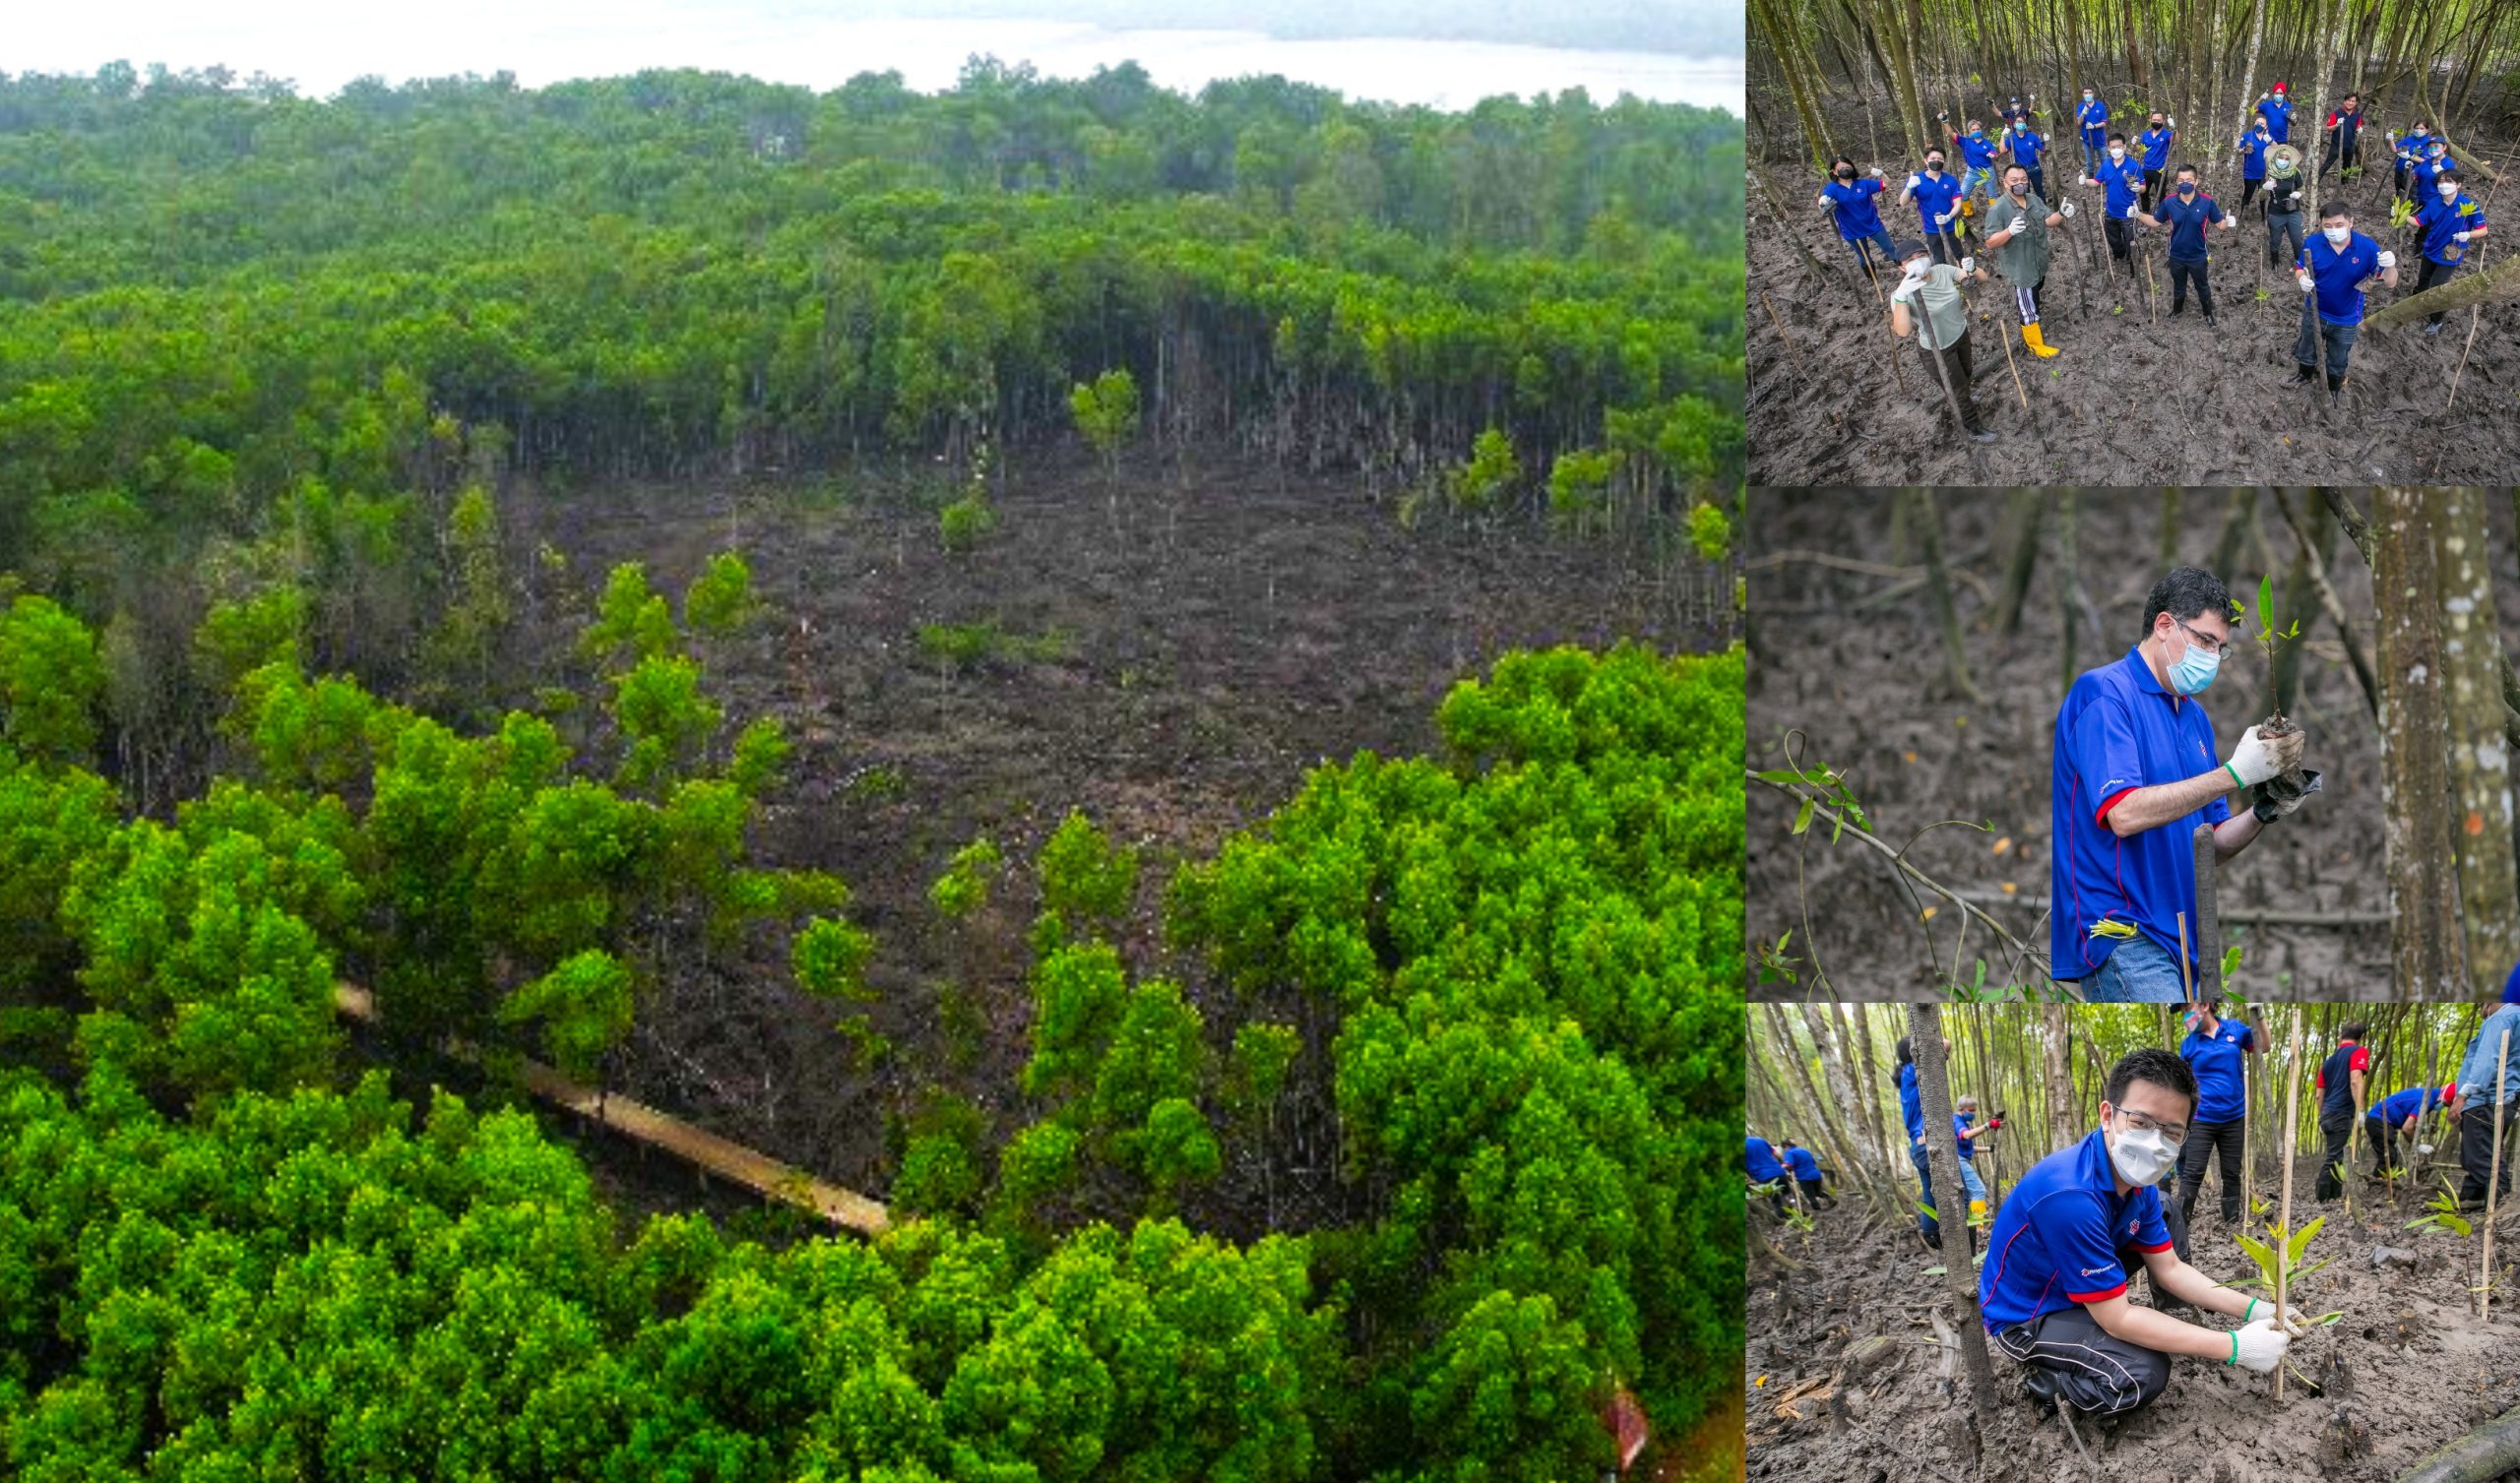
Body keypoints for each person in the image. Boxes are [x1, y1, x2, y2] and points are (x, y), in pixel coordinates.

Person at [1981, 1048, 2311, 1416]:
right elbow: (2117, 1319)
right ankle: (2052, 1382)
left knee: (2167, 1208)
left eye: (2172, 1132)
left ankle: (2167, 1321)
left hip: (2077, 1287)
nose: (2156, 1142)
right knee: (2140, 1372)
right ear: (2108, 1115)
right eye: (2141, 1122)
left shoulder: (2140, 1187)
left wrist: (2254, 1308)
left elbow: (2170, 1269)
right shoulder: (2070, 1195)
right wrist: (2234, 1347)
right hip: (2029, 1315)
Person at [2049, 568, 2308, 1001]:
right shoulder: (2104, 694)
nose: (2212, 656)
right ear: (2165, 625)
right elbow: (2124, 813)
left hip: (2183, 939)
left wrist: (2264, 809)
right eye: (2206, 640)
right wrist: (2233, 774)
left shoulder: (2195, 719)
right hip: (2122, 930)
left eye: (2221, 648)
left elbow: (2211, 845)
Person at [1887, 239, 1995, 441]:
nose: (1917, 262)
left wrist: (1972, 269)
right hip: (1937, 349)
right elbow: (1903, 331)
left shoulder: (1942, 271)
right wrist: (1901, 296)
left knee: (1966, 373)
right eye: (1910, 260)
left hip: (1960, 334)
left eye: (1921, 255)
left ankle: (1965, 400)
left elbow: (1982, 278)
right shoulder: (1902, 294)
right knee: (1957, 389)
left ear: (1928, 255)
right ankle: (1973, 427)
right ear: (1902, 268)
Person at [2294, 201, 2398, 403]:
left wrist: (2391, 266)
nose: (2333, 230)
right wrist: (2301, 279)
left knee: (2338, 357)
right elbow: (2299, 267)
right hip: (2314, 310)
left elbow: (2390, 283)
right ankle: (2304, 374)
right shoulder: (2313, 243)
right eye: (2328, 226)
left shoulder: (2367, 248)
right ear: (2322, 225)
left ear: (2351, 223)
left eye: (2339, 225)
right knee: (2307, 347)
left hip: (2347, 318)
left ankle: (2334, 386)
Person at [2175, 1001, 2257, 1225]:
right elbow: (2183, 1085)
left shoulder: (2234, 1029)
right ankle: (2180, 1225)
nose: (2184, 1016)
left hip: (2234, 1116)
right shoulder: (2188, 1045)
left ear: (2204, 1005)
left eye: (2186, 1009)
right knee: (2193, 1172)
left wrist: (2259, 1016)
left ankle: (2231, 1223)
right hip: (2202, 1118)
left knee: (2231, 1172)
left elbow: (2264, 1046)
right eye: (2181, 1012)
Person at [2133, 164, 2236, 326]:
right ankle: (2177, 309)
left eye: (2188, 180)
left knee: (2202, 286)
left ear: (2196, 182)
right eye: (2181, 180)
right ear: (2177, 182)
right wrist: (2138, 214)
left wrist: (2227, 223)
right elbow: (2155, 221)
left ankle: (2208, 313)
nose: (2185, 183)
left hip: (2199, 255)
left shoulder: (2206, 202)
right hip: (2176, 255)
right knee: (2179, 286)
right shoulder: (2169, 202)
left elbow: (2220, 225)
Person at [1986, 164, 2069, 358]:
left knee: (2035, 290)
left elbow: (2048, 220)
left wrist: (2062, 213)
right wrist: (2009, 231)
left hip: (2038, 260)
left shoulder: (2033, 199)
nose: (2020, 183)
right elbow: (1990, 242)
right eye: (2014, 180)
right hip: (2021, 267)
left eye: (2023, 179)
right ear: (2004, 183)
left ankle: (2034, 311)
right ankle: (2035, 345)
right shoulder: (1997, 209)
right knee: (2027, 305)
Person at [2452, 972, 2520, 1209]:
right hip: (2504, 1099)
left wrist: (2462, 1097)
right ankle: (2470, 1201)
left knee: (2482, 1158)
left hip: (2486, 1100)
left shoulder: (2501, 1018)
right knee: (2481, 1154)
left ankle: (2501, 1211)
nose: (2482, 1008)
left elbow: (2486, 1062)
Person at [2408, 167, 2489, 334]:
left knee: (2437, 287)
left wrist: (2468, 234)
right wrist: (2399, 216)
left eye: (2449, 181)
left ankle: (2436, 320)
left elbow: (2483, 230)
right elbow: (2418, 221)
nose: (2444, 185)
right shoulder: (2433, 202)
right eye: (2441, 181)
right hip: (2431, 247)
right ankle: (2417, 305)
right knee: (2423, 280)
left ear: (2458, 185)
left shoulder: (2469, 206)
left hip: (2451, 252)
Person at [2312, 1020, 2373, 1200]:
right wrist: (2360, 1111)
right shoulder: (2358, 1051)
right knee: (2334, 1158)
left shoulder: (2327, 1063)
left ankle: (2334, 1198)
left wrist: (2321, 1116)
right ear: (2361, 1037)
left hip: (2328, 1114)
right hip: (2341, 1114)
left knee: (2337, 1156)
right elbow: (2355, 1080)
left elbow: (2318, 1095)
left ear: (2341, 1036)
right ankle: (2323, 1199)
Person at [1818, 157, 1899, 281]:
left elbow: (1886, 183)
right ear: (1834, 172)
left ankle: (1903, 268)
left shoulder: (1863, 184)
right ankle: (1872, 279)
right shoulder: (1831, 188)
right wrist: (1822, 201)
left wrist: (1881, 174)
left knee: (1890, 248)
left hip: (1873, 224)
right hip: (1851, 230)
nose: (1845, 170)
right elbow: (1824, 205)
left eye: (1848, 167)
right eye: (1841, 168)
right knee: (1864, 256)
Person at [2087, 133, 2149, 284]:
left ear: (2124, 147)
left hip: (2128, 213)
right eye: (2113, 147)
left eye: (2119, 146)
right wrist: (2084, 182)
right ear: (2108, 148)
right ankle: (2119, 256)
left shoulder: (2132, 166)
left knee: (2130, 241)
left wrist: (2137, 188)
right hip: (2110, 212)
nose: (2116, 149)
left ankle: (2134, 265)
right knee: (2113, 239)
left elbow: (2143, 187)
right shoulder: (2106, 165)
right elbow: (2096, 182)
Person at [2365, 1083, 2455, 1180]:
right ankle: (2376, 1184)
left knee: (2390, 1157)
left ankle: (2382, 1183)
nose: (2443, 1107)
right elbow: (2407, 1128)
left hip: (2382, 1121)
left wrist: (2425, 1130)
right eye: (2445, 1104)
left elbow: (2411, 1124)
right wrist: (2418, 1146)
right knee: (2388, 1157)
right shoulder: (2426, 1100)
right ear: (2442, 1096)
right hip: (2378, 1119)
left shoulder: (2429, 1095)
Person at [1903, 149, 1967, 264]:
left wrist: (1948, 216)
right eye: (1933, 159)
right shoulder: (1917, 180)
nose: (1936, 161)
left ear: (1944, 162)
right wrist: (1909, 187)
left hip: (1951, 226)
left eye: (1940, 159)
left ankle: (1963, 277)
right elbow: (1903, 202)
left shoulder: (1950, 180)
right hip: (1931, 228)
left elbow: (1958, 204)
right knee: (1939, 258)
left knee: (1959, 255)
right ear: (1926, 161)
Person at [1954, 1094, 2004, 1219]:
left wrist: (1988, 1149)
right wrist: (1988, 1125)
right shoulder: (1956, 1120)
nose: (1974, 1113)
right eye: (1971, 1110)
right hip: (1959, 1161)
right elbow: (1965, 1135)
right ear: (1961, 1108)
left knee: (1968, 1195)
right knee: (1979, 1191)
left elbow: (1968, 1147)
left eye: (1975, 1110)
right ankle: (1977, 1225)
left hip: (1962, 1159)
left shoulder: (1964, 1122)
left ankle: (1972, 1225)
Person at [1938, 112, 2001, 207]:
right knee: (1962, 195)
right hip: (1972, 171)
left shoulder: (1987, 143)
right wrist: (1945, 121)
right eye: (1973, 130)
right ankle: (1968, 212)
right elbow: (1951, 133)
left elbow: (1996, 156)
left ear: (1981, 130)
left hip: (1988, 172)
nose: (1976, 131)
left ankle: (1995, 215)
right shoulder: (1965, 141)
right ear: (1969, 132)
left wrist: (1993, 155)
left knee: (1993, 195)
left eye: (1978, 129)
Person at [2262, 147, 2307, 272]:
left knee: (2297, 239)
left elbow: (2302, 189)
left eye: (2287, 159)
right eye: (2281, 158)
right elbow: (2260, 196)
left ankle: (2300, 264)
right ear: (2276, 158)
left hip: (2293, 211)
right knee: (2275, 239)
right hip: (2276, 213)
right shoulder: (2269, 172)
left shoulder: (2294, 172)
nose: (2283, 160)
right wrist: (2265, 188)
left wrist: (2299, 194)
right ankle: (2274, 262)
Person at [2002, 116, 2052, 204]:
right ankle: (2028, 211)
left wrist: (2047, 141)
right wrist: (2003, 136)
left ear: (2025, 124)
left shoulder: (2032, 136)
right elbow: (2003, 150)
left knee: (2039, 190)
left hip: (2034, 168)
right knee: (2025, 192)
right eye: (2018, 122)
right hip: (2021, 171)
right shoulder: (2011, 138)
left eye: (2022, 122)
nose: (2020, 123)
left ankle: (2044, 210)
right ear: (2014, 124)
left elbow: (2043, 150)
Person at [2136, 110, 2177, 214]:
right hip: (2145, 169)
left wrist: (2174, 128)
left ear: (2163, 122)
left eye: (2159, 120)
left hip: (2160, 170)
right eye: (2154, 120)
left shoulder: (2167, 134)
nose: (2156, 121)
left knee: (2161, 193)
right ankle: (2145, 211)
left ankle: (2161, 213)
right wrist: (2133, 145)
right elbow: (2140, 150)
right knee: (2143, 192)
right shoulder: (2145, 135)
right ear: (2150, 120)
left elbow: (2176, 140)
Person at [2319, 93, 2366, 180]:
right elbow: (2329, 128)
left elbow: (2357, 128)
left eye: (2353, 101)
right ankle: (2316, 181)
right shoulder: (2336, 113)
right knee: (2327, 164)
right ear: (2344, 101)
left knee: (2347, 165)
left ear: (2356, 103)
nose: (2350, 103)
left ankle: (2344, 183)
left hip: (2350, 145)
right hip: (2336, 144)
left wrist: (2359, 130)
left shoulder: (2357, 115)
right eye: (2348, 100)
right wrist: (2336, 125)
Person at [1782, 1139, 1835, 1210]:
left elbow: (1788, 1164)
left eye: (1784, 1148)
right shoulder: (1804, 1150)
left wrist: (1780, 1167)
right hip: (1816, 1175)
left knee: (1810, 1196)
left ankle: (1818, 1210)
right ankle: (1830, 1199)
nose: (1784, 1150)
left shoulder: (1790, 1153)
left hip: (1804, 1177)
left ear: (1786, 1146)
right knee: (1818, 1193)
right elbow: (1813, 1162)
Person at [1746, 1132, 1790, 1217]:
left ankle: (1785, 1221)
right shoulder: (1760, 1140)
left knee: (1776, 1202)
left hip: (1764, 1177)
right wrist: (1782, 1163)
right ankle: (1796, 1209)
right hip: (1779, 1172)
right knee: (1787, 1194)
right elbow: (1777, 1154)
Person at [2235, 118, 2274, 208]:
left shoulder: (2268, 137)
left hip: (2265, 174)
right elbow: (2238, 151)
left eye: (2262, 123)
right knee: (2247, 195)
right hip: (2250, 173)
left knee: (2263, 196)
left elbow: (2276, 147)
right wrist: (2245, 149)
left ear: (2266, 126)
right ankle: (2243, 213)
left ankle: (2264, 217)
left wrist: (2270, 140)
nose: (2259, 124)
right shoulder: (2247, 136)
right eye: (2257, 122)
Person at [2390, 121, 2434, 200]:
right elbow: (2395, 150)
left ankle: (2407, 211)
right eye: (2416, 128)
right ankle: (2397, 209)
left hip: (2413, 173)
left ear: (2427, 130)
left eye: (2421, 128)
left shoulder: (2428, 143)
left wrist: (2409, 156)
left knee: (2410, 195)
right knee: (2398, 190)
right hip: (2400, 169)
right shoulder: (2409, 139)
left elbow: (2425, 160)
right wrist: (2391, 140)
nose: (2418, 130)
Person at [2412, 136, 2460, 201]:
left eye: (2436, 146)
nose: (2433, 149)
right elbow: (2415, 175)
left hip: (2436, 200)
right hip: (2420, 197)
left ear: (2444, 147)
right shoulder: (2426, 161)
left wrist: (2442, 173)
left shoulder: (2448, 164)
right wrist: (2408, 170)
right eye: (2430, 147)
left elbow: (2452, 185)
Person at [2076, 87, 2110, 175]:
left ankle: (2106, 177)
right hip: (2087, 140)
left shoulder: (2100, 105)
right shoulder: (2080, 106)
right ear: (2083, 95)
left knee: (2104, 161)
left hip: (2100, 139)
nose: (2088, 94)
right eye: (2086, 93)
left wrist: (2094, 126)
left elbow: (2104, 122)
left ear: (2093, 94)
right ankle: (2091, 179)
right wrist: (2083, 113)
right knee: (2089, 162)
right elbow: (2079, 122)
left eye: (2089, 92)